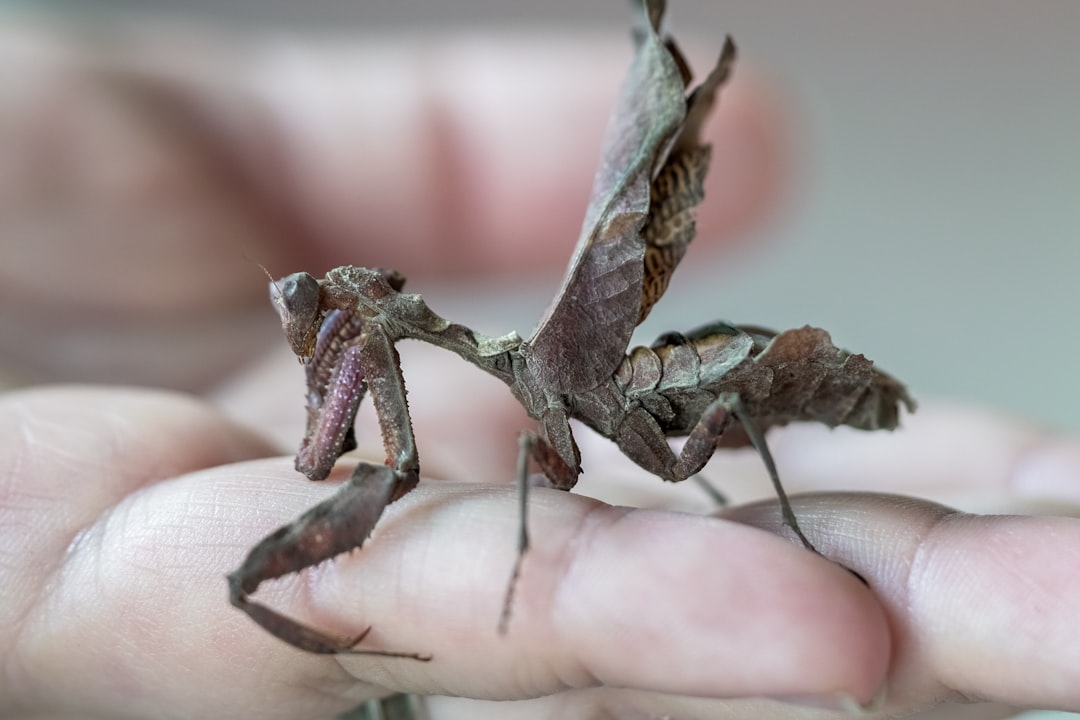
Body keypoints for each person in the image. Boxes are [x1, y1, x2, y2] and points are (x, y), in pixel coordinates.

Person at [1, 19, 1078, 720]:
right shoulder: (437, 350)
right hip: (642, 404)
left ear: (363, 311)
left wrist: (520, 548)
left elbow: (491, 458)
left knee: (636, 438)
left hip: (705, 382)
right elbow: (375, 441)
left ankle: (784, 522)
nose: (319, 337)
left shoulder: (529, 363)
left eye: (323, 319)